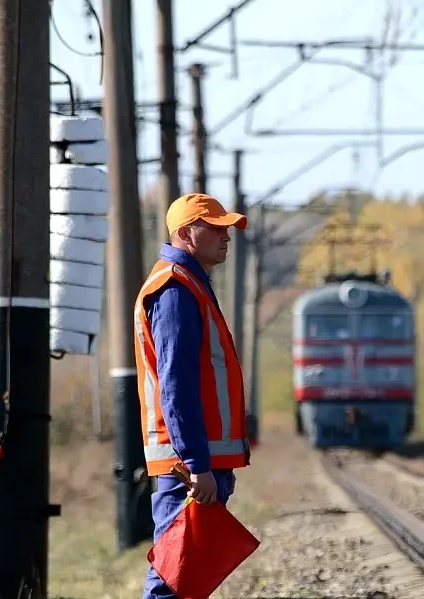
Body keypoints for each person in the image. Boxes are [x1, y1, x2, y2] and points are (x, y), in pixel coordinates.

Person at [132, 193, 252, 599]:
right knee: (174, 579)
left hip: (196, 458)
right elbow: (177, 385)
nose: (226, 236)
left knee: (186, 576)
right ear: (185, 233)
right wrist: (198, 465)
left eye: (227, 229)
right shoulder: (175, 290)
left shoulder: (190, 284)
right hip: (187, 464)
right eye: (215, 228)